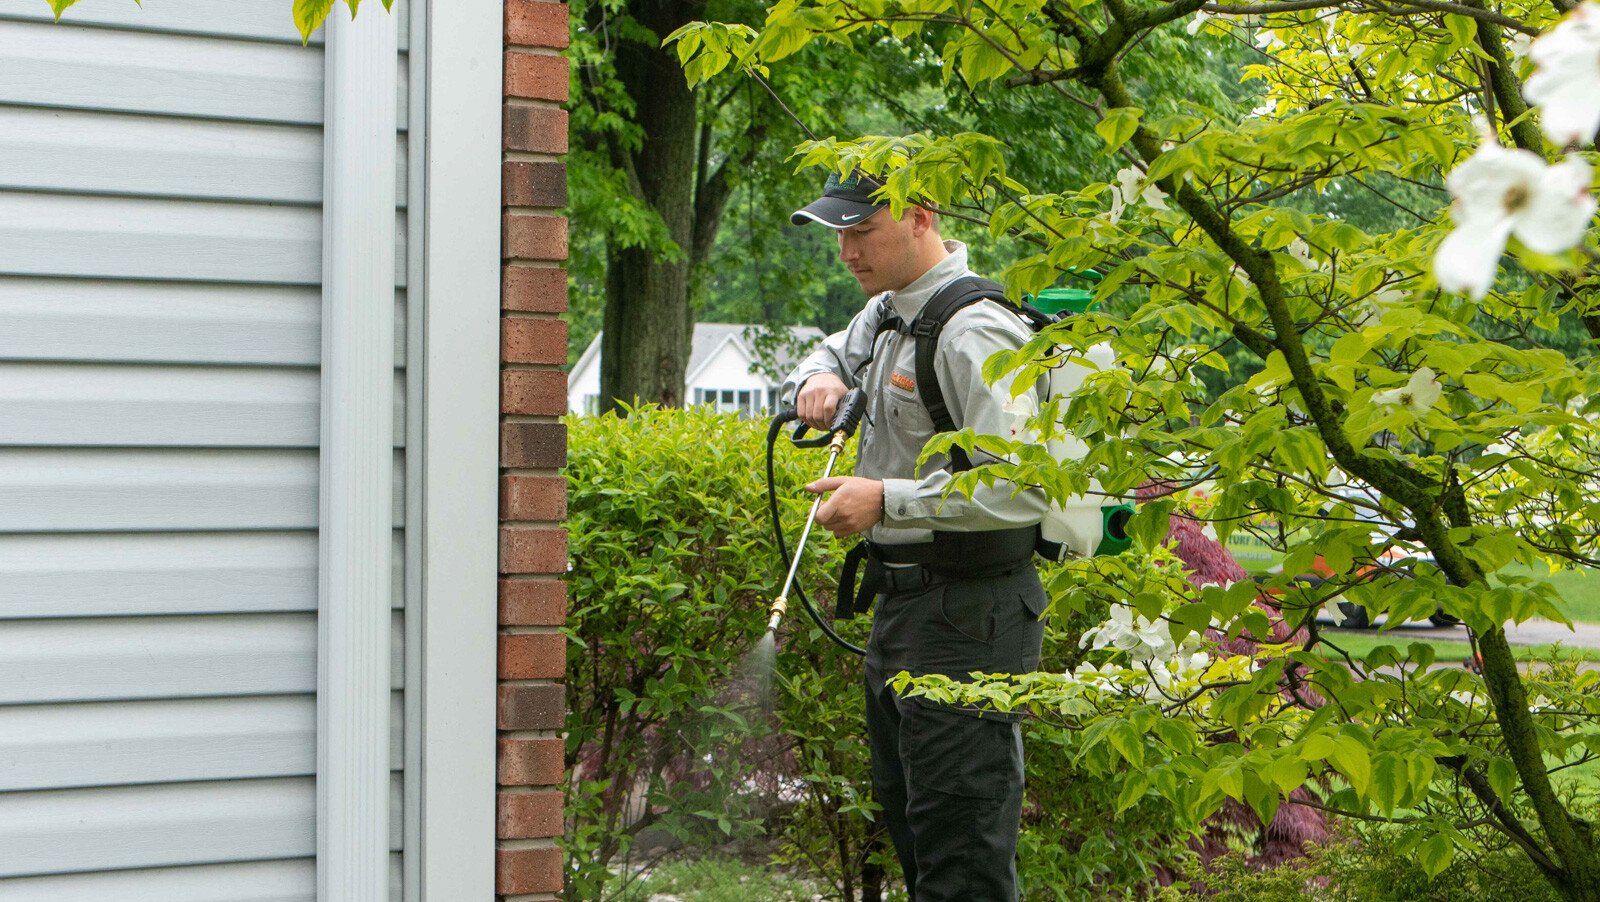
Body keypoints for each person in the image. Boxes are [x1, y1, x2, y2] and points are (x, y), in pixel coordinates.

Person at [782, 169, 1050, 901]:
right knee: (917, 836)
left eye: (862, 232)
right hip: (904, 609)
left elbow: (1022, 483)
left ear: (922, 218)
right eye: (839, 234)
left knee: (962, 860)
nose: (846, 251)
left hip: (973, 615)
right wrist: (818, 378)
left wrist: (885, 500)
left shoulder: (976, 329)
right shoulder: (887, 312)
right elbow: (832, 351)